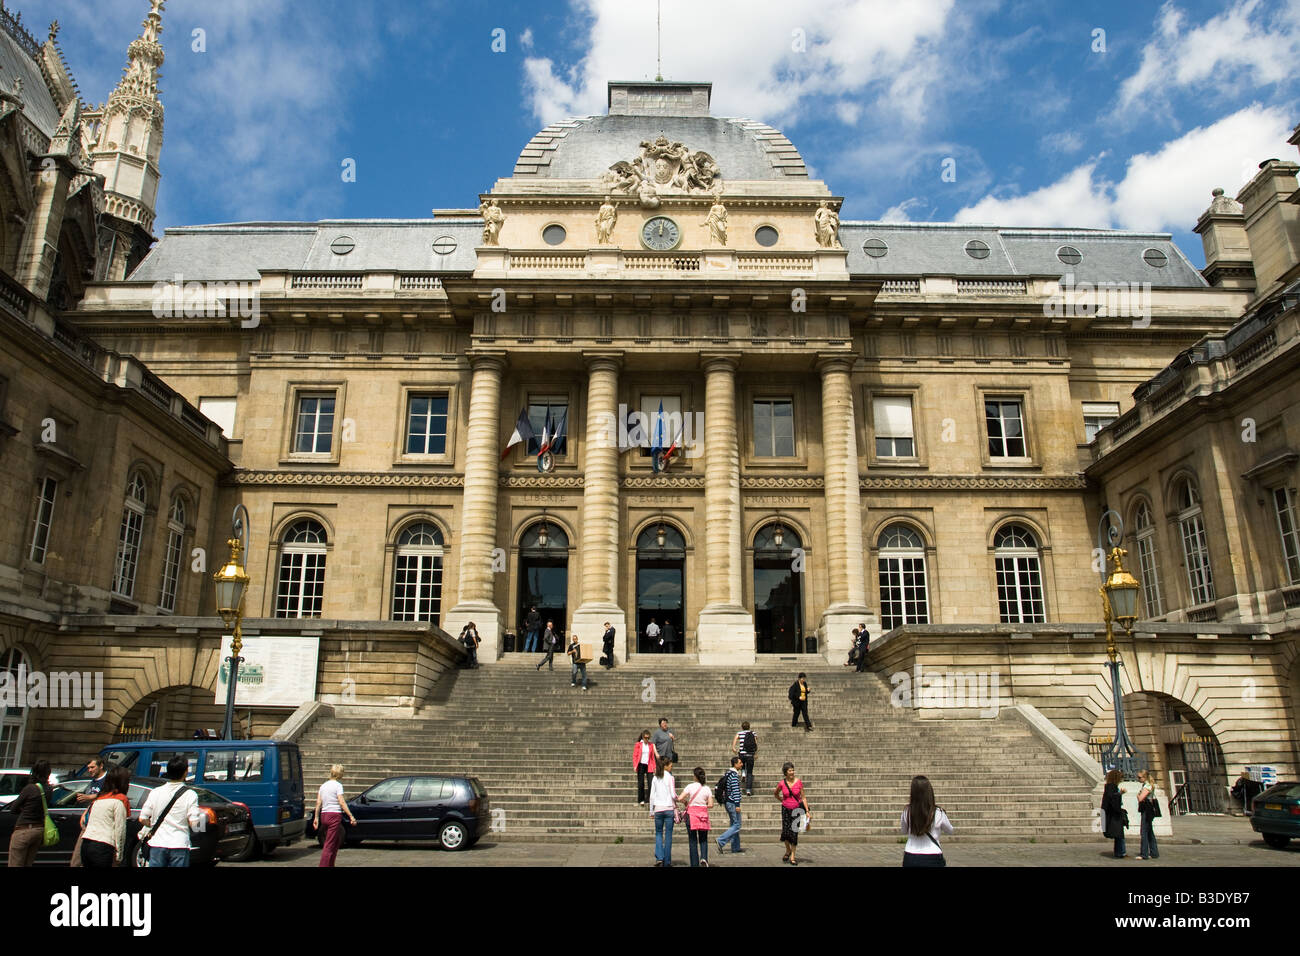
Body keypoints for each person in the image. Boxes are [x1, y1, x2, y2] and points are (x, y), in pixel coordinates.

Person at [137, 755, 204, 867]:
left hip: (157, 843)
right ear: (185, 772)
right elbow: (195, 823)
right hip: (179, 844)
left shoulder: (156, 792)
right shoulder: (190, 795)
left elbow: (142, 818)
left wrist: (152, 824)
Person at [78, 766, 132, 868]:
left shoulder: (98, 801)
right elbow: (120, 830)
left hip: (86, 843)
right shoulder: (119, 802)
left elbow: (85, 821)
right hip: (103, 845)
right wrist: (119, 854)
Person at [4, 760, 52, 867]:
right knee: (28, 863)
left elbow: (13, 809)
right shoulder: (49, 789)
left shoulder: (30, 788)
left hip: (24, 829)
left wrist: (24, 809)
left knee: (15, 863)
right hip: (39, 830)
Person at [900, 774, 953, 867]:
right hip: (933, 854)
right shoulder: (937, 812)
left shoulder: (907, 811)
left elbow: (903, 831)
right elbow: (950, 830)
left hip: (911, 854)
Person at [313, 764, 357, 868]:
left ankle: (331, 864)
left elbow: (318, 802)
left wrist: (316, 817)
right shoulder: (338, 786)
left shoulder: (323, 786)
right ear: (340, 774)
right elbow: (341, 802)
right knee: (329, 844)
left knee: (335, 842)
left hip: (324, 814)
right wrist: (351, 816)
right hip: (334, 815)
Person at [70, 755, 108, 866]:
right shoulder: (93, 781)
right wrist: (85, 813)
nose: (89, 770)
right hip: (88, 824)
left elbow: (110, 795)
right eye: (88, 768)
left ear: (101, 766)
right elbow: (92, 804)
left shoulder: (108, 779)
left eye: (92, 767)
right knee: (77, 860)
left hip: (100, 825)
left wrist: (90, 797)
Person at [775, 761, 810, 864]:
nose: (792, 772)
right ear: (785, 772)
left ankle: (793, 856)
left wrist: (807, 811)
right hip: (786, 809)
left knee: (794, 832)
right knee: (785, 832)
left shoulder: (798, 782)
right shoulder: (782, 783)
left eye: (793, 770)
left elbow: (803, 797)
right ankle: (787, 850)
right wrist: (782, 800)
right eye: (790, 770)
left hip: (797, 810)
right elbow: (776, 793)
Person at [678, 766, 715, 866]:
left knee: (692, 840)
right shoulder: (707, 788)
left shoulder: (690, 786)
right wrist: (703, 805)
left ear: (695, 776)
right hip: (703, 815)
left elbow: (680, 797)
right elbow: (711, 805)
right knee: (703, 839)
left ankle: (694, 863)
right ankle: (704, 858)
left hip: (691, 815)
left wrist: (686, 802)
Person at [649, 757, 677, 866]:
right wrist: (680, 799)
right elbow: (673, 794)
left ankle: (660, 856)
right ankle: (667, 861)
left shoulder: (656, 778)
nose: (671, 766)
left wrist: (651, 811)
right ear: (665, 765)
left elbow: (652, 796)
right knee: (668, 835)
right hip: (668, 808)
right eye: (670, 764)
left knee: (659, 833)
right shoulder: (670, 778)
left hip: (658, 809)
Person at [716, 756, 744, 854]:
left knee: (733, 824)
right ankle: (721, 840)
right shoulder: (734, 776)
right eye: (740, 763)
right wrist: (737, 805)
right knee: (737, 825)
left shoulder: (728, 774)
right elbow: (735, 791)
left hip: (728, 801)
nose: (742, 764)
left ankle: (735, 846)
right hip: (732, 802)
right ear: (735, 764)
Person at [1101, 768, 1128, 859]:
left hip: (1110, 813)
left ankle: (1119, 851)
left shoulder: (1109, 786)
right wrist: (1120, 793)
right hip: (1113, 814)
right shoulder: (1112, 787)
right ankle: (1121, 852)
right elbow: (1113, 799)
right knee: (1119, 834)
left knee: (1118, 834)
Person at [1136, 769, 1160, 860]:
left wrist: (1138, 795)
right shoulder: (1148, 785)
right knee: (1149, 832)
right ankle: (1154, 852)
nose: (1138, 779)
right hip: (1149, 809)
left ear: (1144, 777)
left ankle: (1144, 854)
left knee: (1144, 832)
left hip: (1147, 809)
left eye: (1139, 777)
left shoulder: (1147, 786)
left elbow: (1141, 798)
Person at [732, 721, 757, 795]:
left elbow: (735, 739)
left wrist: (733, 747)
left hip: (742, 754)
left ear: (742, 727)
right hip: (750, 754)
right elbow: (755, 743)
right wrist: (755, 753)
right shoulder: (753, 733)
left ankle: (743, 773)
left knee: (742, 763)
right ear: (749, 727)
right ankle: (748, 790)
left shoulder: (739, 733)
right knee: (749, 773)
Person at [634, 730, 657, 805]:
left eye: (648, 738)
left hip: (648, 765)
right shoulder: (638, 744)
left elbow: (652, 757)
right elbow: (635, 755)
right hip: (640, 765)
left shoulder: (651, 745)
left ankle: (648, 799)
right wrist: (635, 765)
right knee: (641, 783)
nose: (647, 739)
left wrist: (654, 767)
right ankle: (641, 799)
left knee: (651, 783)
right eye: (645, 738)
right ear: (643, 737)